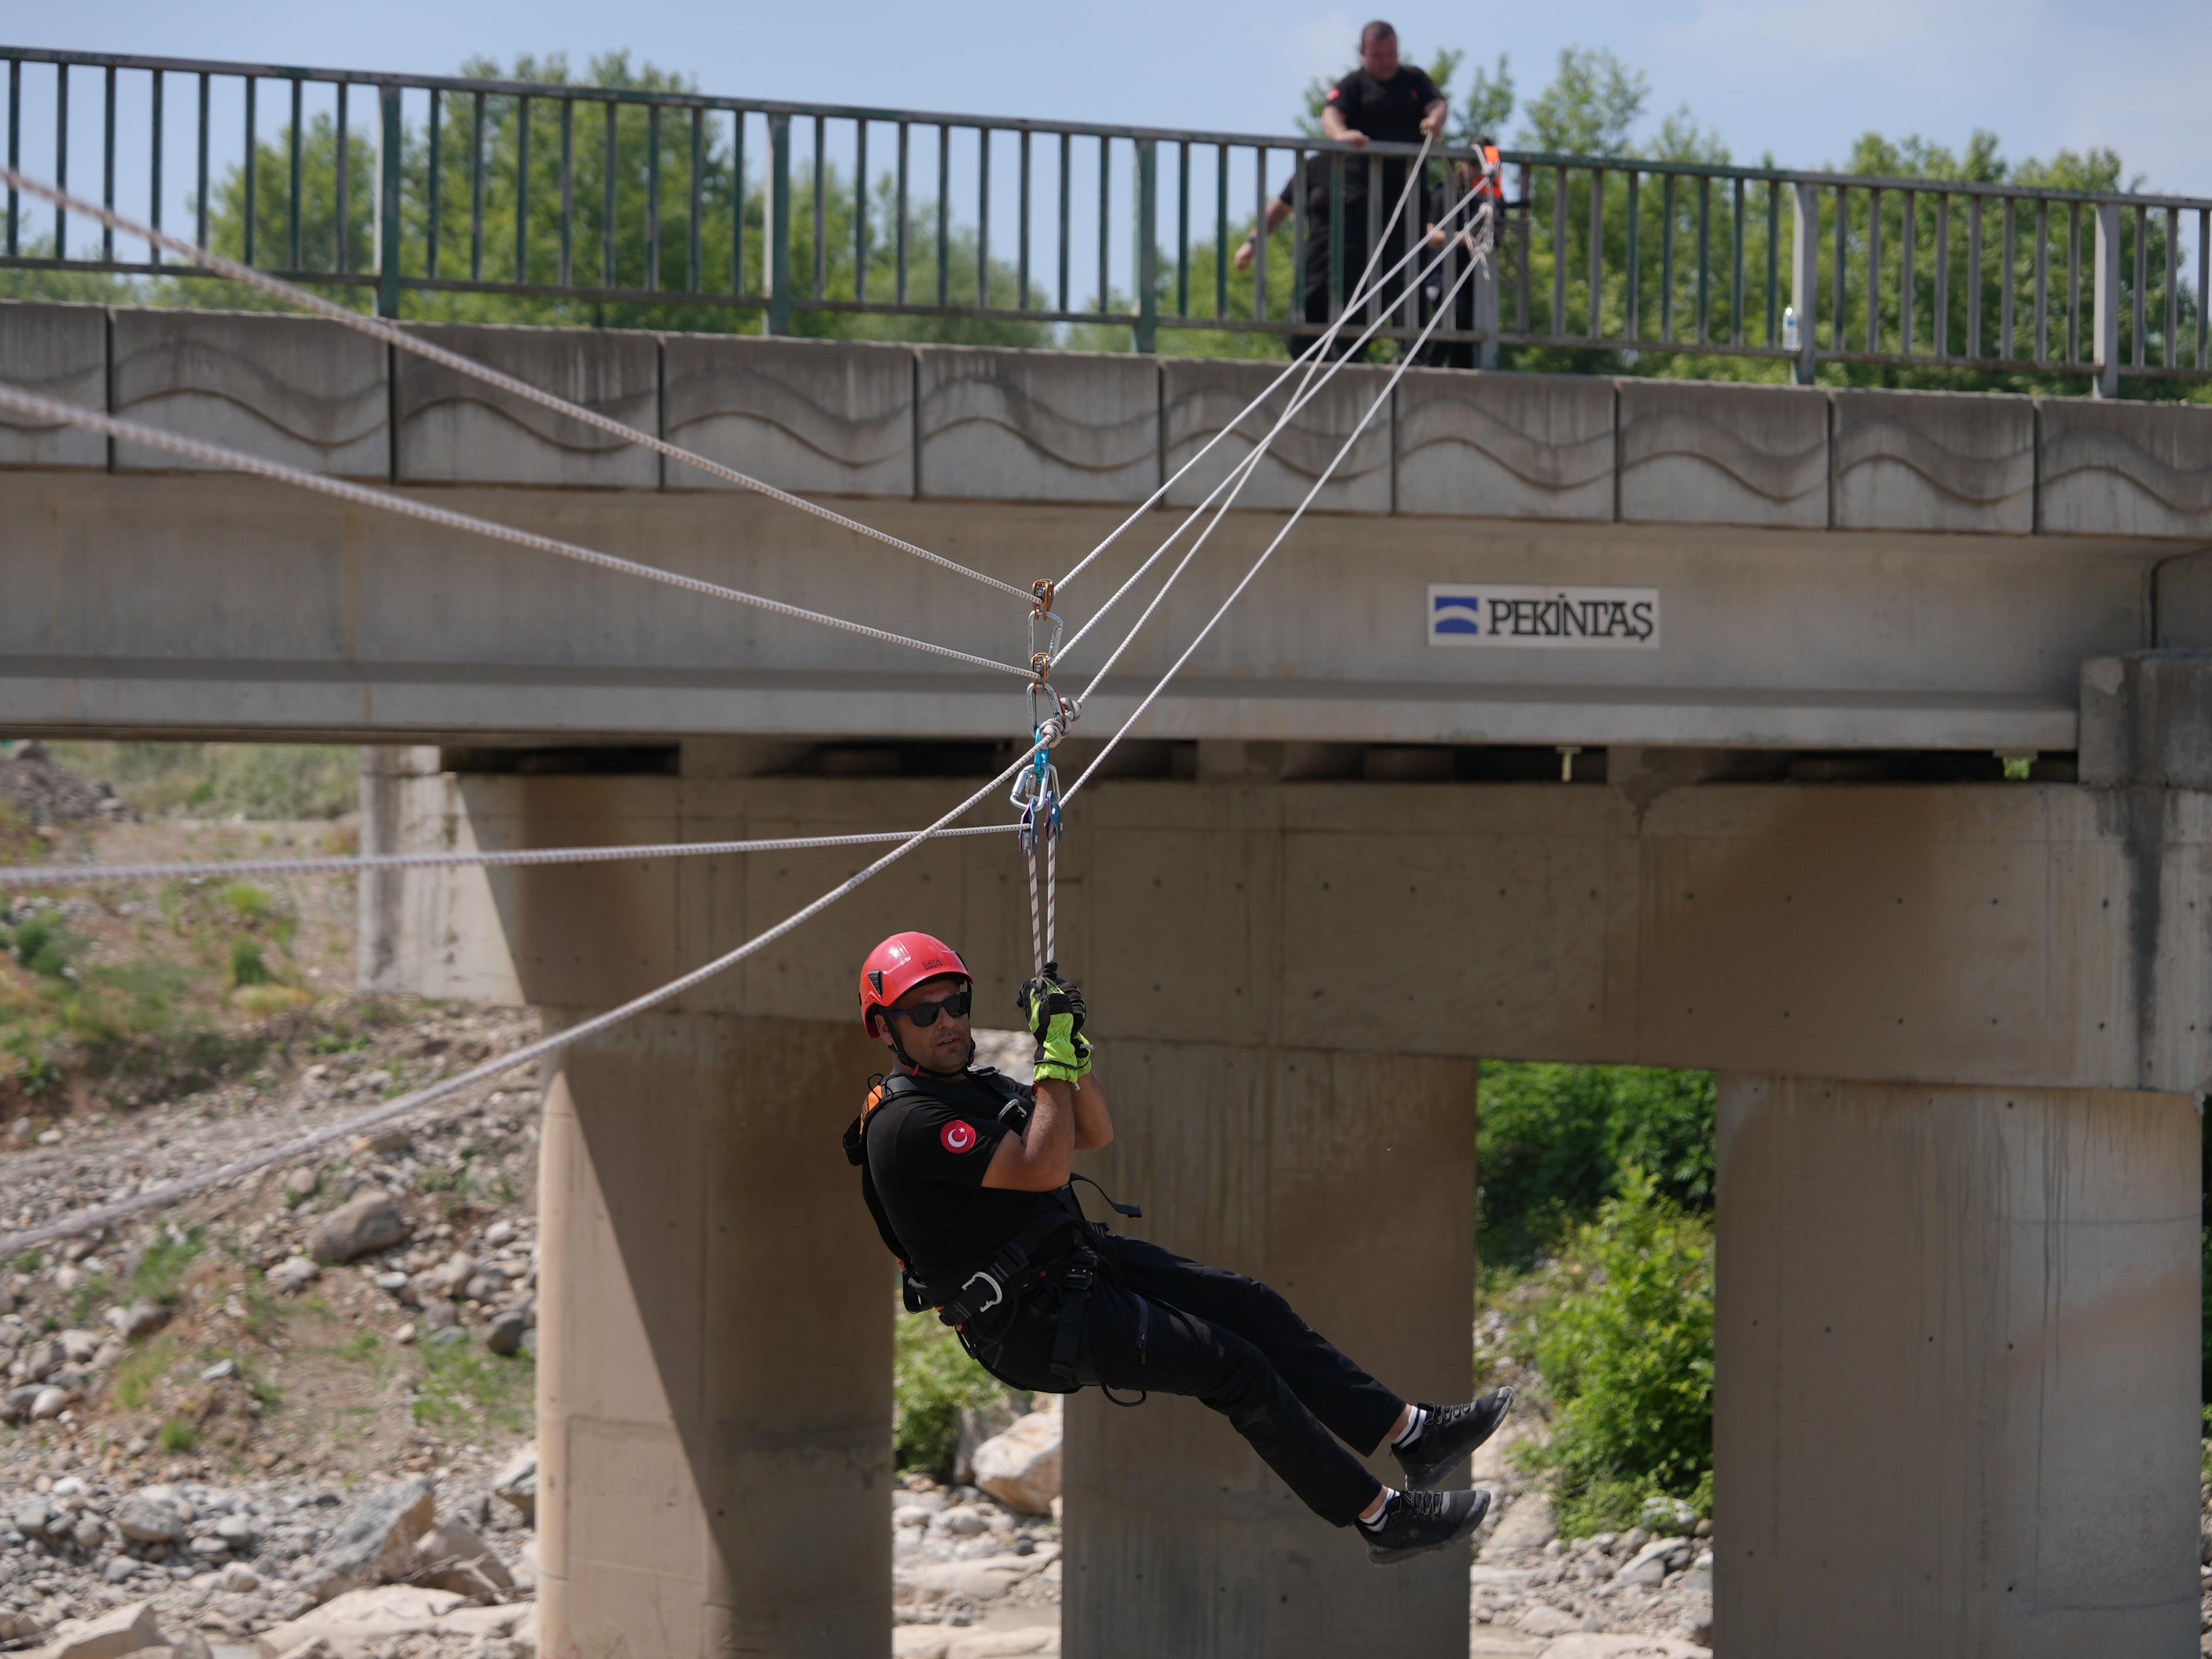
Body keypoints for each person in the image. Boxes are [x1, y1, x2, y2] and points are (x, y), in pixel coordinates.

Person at [844, 930, 1515, 1565]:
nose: (947, 1022)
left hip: (1068, 1270)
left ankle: (1412, 1434)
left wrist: (1070, 1047)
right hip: (1027, 1321)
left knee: (1248, 1305)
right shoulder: (907, 1123)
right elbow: (1044, 1168)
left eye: (955, 1004)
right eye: (924, 1012)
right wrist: (1047, 1057)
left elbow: (1093, 1130)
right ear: (887, 1029)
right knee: (1232, 1366)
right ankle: (1381, 1518)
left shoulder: (978, 1087)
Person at [1233, 21, 1450, 360]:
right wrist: (1342, 136)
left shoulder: (1414, 80)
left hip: (1403, 199)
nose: (1385, 61)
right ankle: (1316, 355)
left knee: (1403, 279)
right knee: (1329, 290)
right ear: (1363, 54)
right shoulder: (1349, 97)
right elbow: (1331, 114)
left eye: (1391, 53)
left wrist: (1435, 121)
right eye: (1378, 55)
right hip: (1350, 223)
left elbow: (1437, 104)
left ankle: (1413, 351)